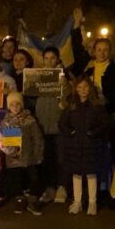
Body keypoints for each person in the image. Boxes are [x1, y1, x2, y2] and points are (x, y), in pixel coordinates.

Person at [59, 77, 110, 215]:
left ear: (90, 88)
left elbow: (104, 123)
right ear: (76, 89)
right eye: (80, 87)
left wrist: (93, 133)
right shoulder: (72, 105)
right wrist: (71, 133)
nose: (83, 90)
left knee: (91, 174)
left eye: (86, 87)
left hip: (91, 145)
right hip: (75, 145)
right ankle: (77, 201)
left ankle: (92, 202)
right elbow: (63, 123)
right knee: (77, 174)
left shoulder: (96, 106)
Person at [0, 92, 44, 215]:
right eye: (12, 104)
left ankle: (32, 202)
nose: (15, 107)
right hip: (13, 159)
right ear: (8, 106)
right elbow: (3, 140)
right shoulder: (6, 122)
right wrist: (9, 150)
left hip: (30, 156)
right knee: (16, 181)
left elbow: (37, 138)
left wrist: (38, 153)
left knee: (34, 179)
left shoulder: (30, 120)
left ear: (22, 105)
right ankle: (20, 201)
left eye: (17, 104)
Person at [34, 46, 68, 204]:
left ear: (58, 59)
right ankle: (49, 188)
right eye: (46, 58)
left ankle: (61, 187)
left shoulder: (64, 77)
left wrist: (64, 85)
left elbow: (69, 100)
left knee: (60, 158)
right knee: (45, 158)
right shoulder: (37, 76)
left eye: (52, 58)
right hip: (42, 124)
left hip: (58, 124)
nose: (49, 61)